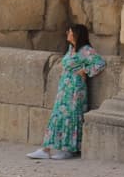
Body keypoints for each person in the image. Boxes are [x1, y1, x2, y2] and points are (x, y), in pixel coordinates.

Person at [27, 24, 106, 161]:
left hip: (76, 88)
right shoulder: (71, 49)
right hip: (64, 88)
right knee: (57, 116)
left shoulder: (85, 50)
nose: (67, 33)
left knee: (71, 116)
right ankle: (46, 149)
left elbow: (100, 63)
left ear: (76, 34)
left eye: (69, 31)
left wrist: (85, 70)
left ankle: (68, 149)